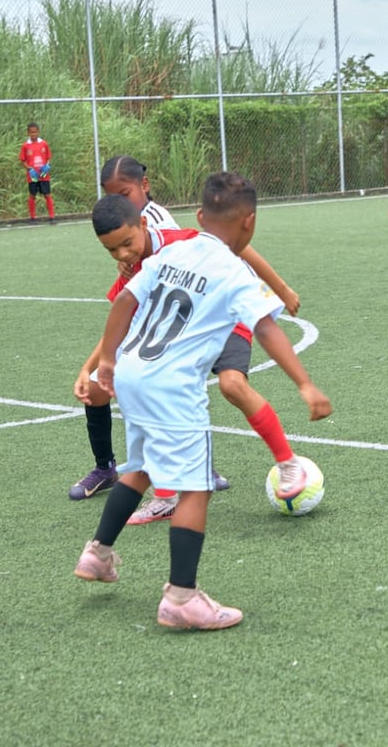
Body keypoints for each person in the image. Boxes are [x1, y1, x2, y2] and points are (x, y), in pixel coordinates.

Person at [73, 179, 332, 631]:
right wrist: (306, 385)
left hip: (133, 371)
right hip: (171, 387)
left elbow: (124, 305)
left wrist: (108, 363)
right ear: (249, 222)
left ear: (198, 218)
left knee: (142, 466)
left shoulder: (172, 253)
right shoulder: (234, 273)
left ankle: (97, 553)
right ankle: (181, 598)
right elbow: (268, 330)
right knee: (195, 489)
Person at [71, 156, 311, 532]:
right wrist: (92, 368)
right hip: (186, 328)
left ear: (143, 197)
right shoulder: (132, 253)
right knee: (136, 387)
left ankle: (286, 461)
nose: (122, 202)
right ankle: (143, 484)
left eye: (125, 194)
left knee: (231, 384)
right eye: (112, 196)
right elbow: (123, 317)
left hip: (225, 311)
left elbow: (235, 247)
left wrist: (280, 287)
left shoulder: (167, 234)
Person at [19, 122, 56, 224]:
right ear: (28, 133)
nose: (33, 134)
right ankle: (33, 218)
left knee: (47, 194)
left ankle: (52, 217)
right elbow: (22, 160)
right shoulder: (25, 146)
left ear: (38, 132)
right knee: (32, 195)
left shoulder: (44, 144)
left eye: (35, 132)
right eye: (31, 132)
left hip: (43, 174)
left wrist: (47, 166)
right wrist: (29, 169)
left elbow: (48, 158)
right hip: (33, 175)